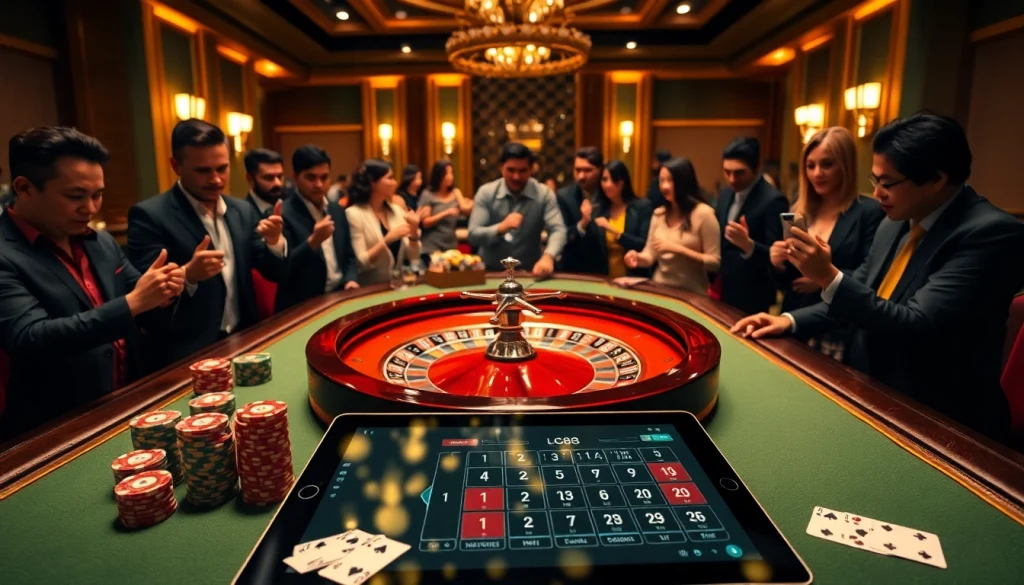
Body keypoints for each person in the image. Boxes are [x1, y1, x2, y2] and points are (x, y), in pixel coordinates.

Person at [732, 112, 1024, 440]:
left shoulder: (991, 234)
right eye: (874, 181)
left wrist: (827, 276)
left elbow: (916, 324)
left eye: (887, 183)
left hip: (943, 422)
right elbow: (862, 293)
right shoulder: (895, 220)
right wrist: (790, 321)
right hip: (870, 392)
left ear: (937, 179)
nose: (878, 193)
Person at [0, 127, 185, 440]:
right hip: (54, 429)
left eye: (98, 194)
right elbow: (31, 339)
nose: (91, 208)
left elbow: (142, 307)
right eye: (75, 196)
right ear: (25, 188)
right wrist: (136, 302)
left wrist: (163, 291)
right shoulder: (5, 253)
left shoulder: (100, 241)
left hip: (127, 405)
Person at [127, 119, 287, 370]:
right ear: (176, 165)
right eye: (203, 171)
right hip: (186, 355)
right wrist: (188, 275)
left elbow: (273, 272)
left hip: (245, 342)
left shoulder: (242, 210)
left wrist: (274, 242)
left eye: (222, 168)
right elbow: (147, 309)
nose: (215, 179)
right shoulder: (149, 216)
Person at [768, 127, 884, 361]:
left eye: (827, 164)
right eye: (811, 166)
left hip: (837, 327)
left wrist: (825, 278)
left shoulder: (868, 212)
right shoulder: (799, 209)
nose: (817, 173)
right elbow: (789, 281)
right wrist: (778, 263)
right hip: (792, 319)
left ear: (846, 165)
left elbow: (873, 277)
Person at [275, 145, 359, 311]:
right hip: (302, 306)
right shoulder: (282, 213)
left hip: (340, 296)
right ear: (296, 177)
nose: (319, 184)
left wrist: (351, 279)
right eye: (311, 177)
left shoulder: (336, 210)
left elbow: (349, 256)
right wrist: (313, 242)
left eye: (324, 177)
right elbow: (282, 271)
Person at [714, 137, 789, 314]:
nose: (732, 179)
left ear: (756, 168)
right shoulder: (725, 194)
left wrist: (749, 246)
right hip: (722, 287)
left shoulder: (773, 200)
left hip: (753, 294)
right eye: (727, 172)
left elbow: (777, 255)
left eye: (739, 173)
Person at [468, 142, 566, 276]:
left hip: (529, 273)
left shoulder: (544, 194)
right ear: (501, 167)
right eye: (511, 170)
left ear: (532, 169)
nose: (516, 177)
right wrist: (500, 228)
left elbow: (558, 230)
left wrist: (549, 256)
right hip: (491, 273)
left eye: (522, 171)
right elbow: (473, 235)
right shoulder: (486, 192)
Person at [626, 157, 720, 293]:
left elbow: (714, 263)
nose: (664, 186)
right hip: (659, 289)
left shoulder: (704, 214)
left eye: (670, 180)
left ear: (683, 182)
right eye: (661, 180)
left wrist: (678, 249)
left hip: (692, 294)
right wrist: (637, 257)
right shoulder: (659, 214)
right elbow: (650, 255)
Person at [345, 159, 422, 286]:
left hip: (397, 286)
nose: (395, 182)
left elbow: (413, 257)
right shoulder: (354, 214)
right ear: (373, 183)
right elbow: (361, 262)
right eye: (390, 178)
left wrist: (414, 230)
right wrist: (387, 239)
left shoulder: (396, 210)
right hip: (369, 289)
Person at [591, 159, 653, 278]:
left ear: (622, 183)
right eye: (604, 180)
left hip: (633, 278)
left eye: (613, 180)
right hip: (604, 279)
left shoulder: (642, 207)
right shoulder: (599, 210)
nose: (607, 185)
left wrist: (612, 229)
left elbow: (643, 244)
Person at [557, 147, 605, 274]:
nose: (581, 176)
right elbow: (561, 236)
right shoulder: (564, 196)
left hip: (604, 269)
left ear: (600, 170)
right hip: (573, 269)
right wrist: (582, 223)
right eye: (577, 170)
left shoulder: (610, 194)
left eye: (588, 170)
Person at [418, 160, 473, 256]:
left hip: (450, 245)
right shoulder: (428, 195)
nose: (450, 177)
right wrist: (446, 213)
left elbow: (465, 209)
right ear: (438, 176)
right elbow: (426, 222)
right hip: (431, 245)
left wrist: (475, 201)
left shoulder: (455, 192)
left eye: (451, 173)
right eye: (446, 173)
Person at [243, 148, 287, 216]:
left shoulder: (293, 208)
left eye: (280, 176)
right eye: (268, 178)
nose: (277, 183)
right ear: (250, 178)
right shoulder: (241, 214)